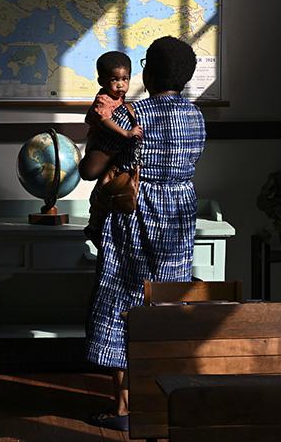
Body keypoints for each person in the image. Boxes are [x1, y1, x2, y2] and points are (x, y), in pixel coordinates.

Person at [79, 36, 206, 431]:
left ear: (148, 72)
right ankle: (161, 401)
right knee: (166, 302)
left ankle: (123, 407)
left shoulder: (131, 114)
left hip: (135, 215)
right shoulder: (196, 117)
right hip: (179, 215)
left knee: (123, 302)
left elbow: (89, 170)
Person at [83, 51, 143, 246]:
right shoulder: (103, 99)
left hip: (109, 148)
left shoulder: (119, 98)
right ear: (101, 81)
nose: (120, 84)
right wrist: (125, 133)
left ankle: (95, 223)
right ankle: (94, 224)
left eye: (125, 79)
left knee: (105, 184)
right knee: (101, 186)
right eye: (114, 80)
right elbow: (104, 120)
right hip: (97, 141)